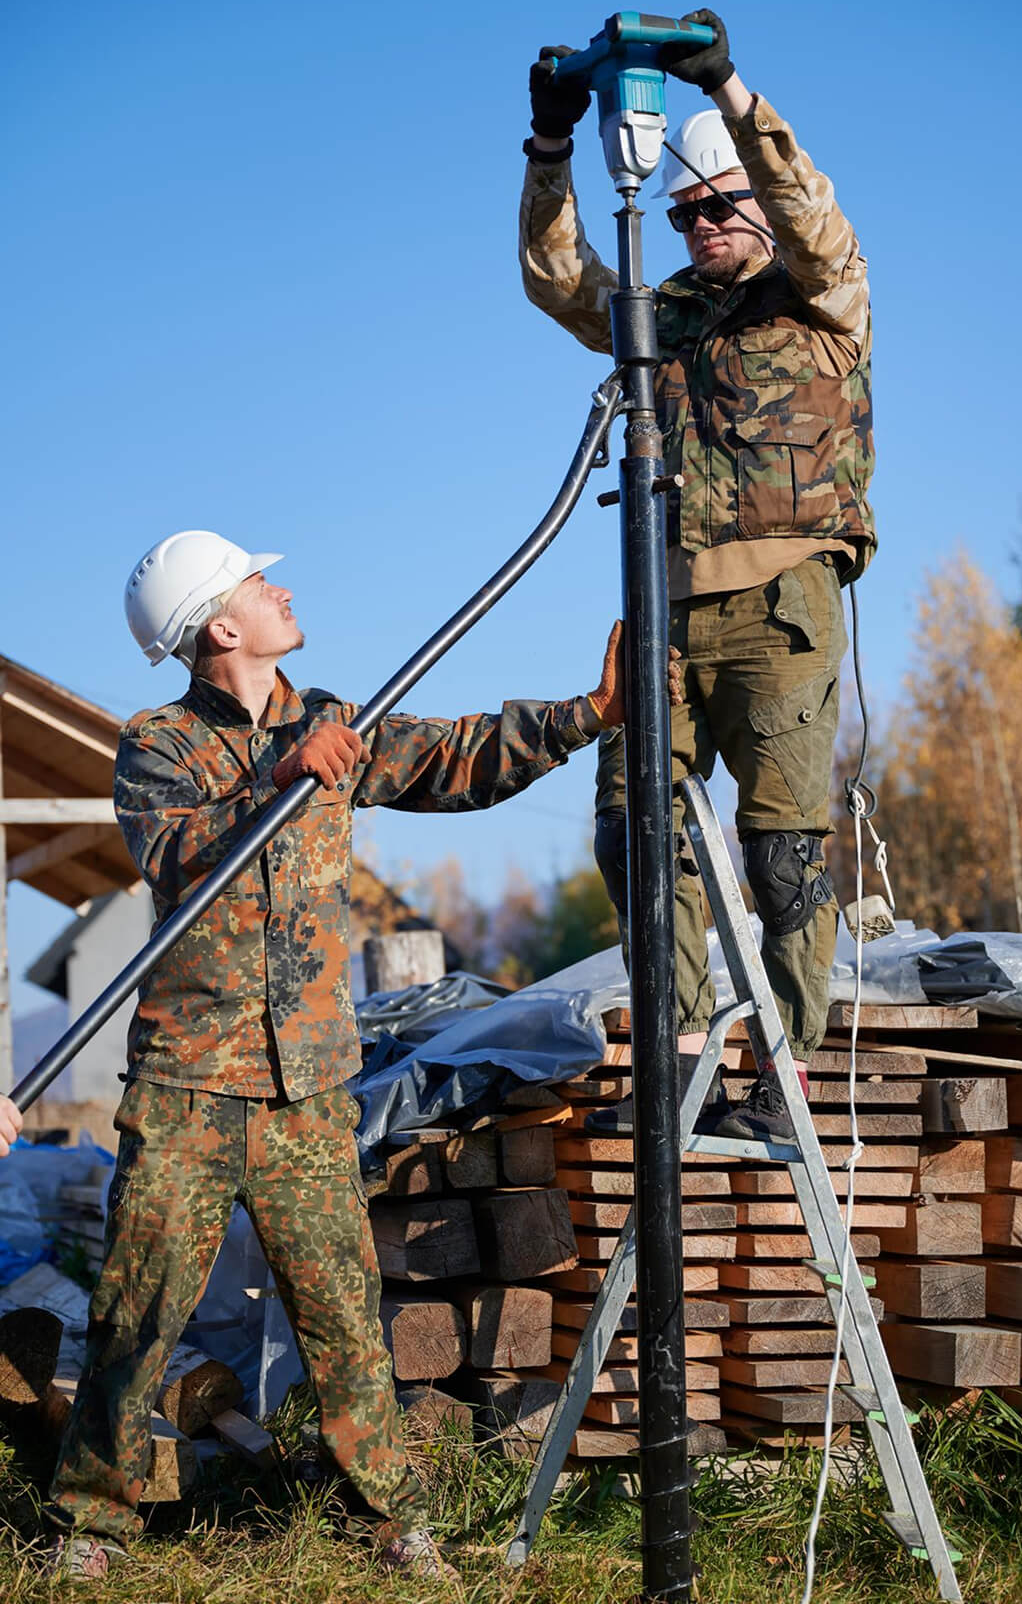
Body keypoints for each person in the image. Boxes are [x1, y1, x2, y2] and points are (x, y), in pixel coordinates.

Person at [42, 528, 630, 1580]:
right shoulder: (157, 742)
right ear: (221, 627)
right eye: (259, 583)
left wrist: (589, 715)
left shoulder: (331, 723)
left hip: (307, 1083)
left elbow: (455, 756)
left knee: (343, 1309)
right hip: (187, 1084)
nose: (282, 591)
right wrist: (280, 777)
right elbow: (176, 854)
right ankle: (92, 1526)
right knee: (139, 1307)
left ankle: (390, 1520)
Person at [519, 9, 875, 1142]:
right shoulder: (662, 316)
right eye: (683, 212)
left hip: (781, 605)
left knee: (780, 851)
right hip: (662, 605)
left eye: (718, 206)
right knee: (634, 831)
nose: (700, 224)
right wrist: (550, 150)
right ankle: (678, 1060)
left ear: (756, 202)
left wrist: (728, 92)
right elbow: (559, 281)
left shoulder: (822, 293)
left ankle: (786, 1065)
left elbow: (811, 215)